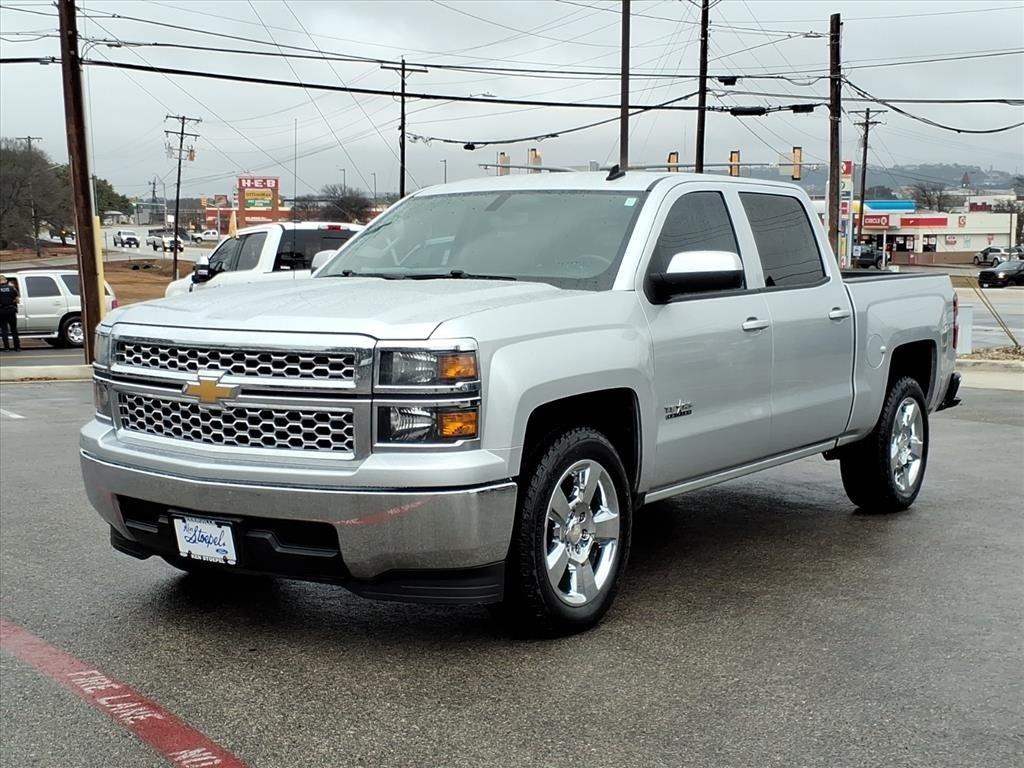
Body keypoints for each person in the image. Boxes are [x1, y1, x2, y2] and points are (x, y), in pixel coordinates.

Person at [0, 274, 21, 351]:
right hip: (11, 311)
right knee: (14, 329)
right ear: (6, 281)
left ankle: (6, 348)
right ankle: (17, 347)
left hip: (1, 312)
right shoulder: (12, 288)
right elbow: (17, 300)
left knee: (4, 330)